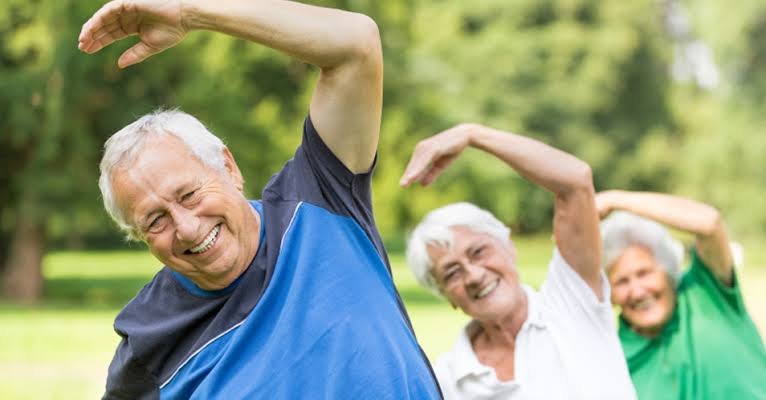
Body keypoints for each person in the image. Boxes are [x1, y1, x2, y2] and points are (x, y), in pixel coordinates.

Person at [79, 0, 441, 398]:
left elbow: (356, 44)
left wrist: (190, 13)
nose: (185, 226)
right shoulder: (148, 343)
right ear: (139, 236)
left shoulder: (321, 198)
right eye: (155, 220)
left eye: (189, 193)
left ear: (228, 167)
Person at [402, 123, 636, 399]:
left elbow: (575, 181)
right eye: (452, 273)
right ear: (445, 295)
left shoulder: (570, 302)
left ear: (508, 247)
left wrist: (472, 135)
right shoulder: (450, 379)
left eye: (479, 252)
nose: (474, 275)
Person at [597, 190, 766, 399]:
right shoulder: (614, 359)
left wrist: (615, 200)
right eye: (622, 281)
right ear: (609, 294)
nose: (637, 292)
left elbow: (709, 223)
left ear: (668, 270)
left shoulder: (707, 292)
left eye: (644, 273)